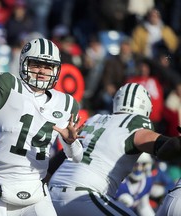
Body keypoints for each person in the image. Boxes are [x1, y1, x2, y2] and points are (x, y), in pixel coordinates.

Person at [0, 30, 83, 216]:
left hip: (37, 191)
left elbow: (76, 157)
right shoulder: (7, 87)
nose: (42, 71)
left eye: (48, 66)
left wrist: (70, 143)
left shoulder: (66, 103)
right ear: (24, 63)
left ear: (56, 69)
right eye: (36, 64)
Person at [47, 82, 181, 216]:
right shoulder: (134, 124)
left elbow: (59, 160)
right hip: (83, 195)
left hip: (52, 192)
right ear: (146, 107)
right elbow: (164, 148)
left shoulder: (95, 119)